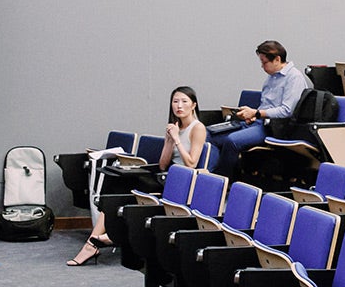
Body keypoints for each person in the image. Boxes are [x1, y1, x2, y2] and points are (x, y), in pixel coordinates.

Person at [70, 86, 205, 266]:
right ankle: (95, 242)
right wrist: (169, 141)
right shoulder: (175, 127)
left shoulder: (198, 128)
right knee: (117, 188)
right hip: (167, 174)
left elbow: (191, 163)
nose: (179, 106)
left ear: (193, 105)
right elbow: (163, 164)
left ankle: (107, 238)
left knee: (131, 188)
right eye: (175, 101)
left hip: (181, 180)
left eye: (184, 101)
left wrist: (177, 140)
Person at [205, 40, 309, 175]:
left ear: (277, 59)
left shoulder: (294, 78)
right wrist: (253, 116)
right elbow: (265, 105)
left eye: (264, 62)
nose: (262, 66)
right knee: (208, 134)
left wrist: (257, 113)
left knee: (232, 141)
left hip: (274, 128)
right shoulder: (271, 78)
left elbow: (287, 111)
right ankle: (209, 173)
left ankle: (221, 179)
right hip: (259, 122)